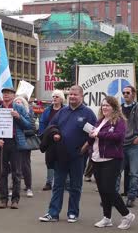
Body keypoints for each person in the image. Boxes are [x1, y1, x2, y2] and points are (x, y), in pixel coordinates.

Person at [39, 85, 96, 223]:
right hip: (61, 155)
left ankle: (73, 213)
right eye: (70, 94)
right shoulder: (63, 112)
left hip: (78, 156)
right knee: (58, 185)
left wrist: (85, 147)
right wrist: (55, 134)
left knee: (75, 186)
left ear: (81, 96)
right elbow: (52, 127)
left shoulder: (87, 114)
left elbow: (93, 134)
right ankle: (53, 213)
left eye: (75, 94)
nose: (72, 96)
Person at [88, 96, 136, 230]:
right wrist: (91, 135)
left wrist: (99, 135)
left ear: (114, 108)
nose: (104, 108)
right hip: (97, 159)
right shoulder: (100, 121)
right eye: (103, 105)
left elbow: (118, 137)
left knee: (109, 189)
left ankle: (127, 215)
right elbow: (94, 139)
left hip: (112, 159)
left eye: (107, 105)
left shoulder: (119, 121)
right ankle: (107, 218)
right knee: (103, 190)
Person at [0, 87, 32, 209]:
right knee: (3, 173)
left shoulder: (19, 108)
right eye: (4, 93)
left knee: (16, 173)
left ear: (14, 96)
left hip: (16, 143)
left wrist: (18, 117)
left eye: (9, 93)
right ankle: (3, 199)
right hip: (3, 143)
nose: (6, 95)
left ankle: (15, 200)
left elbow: (29, 125)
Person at [117, 85, 138, 207]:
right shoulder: (119, 109)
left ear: (133, 94)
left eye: (128, 93)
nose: (125, 95)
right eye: (124, 93)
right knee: (116, 172)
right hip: (120, 145)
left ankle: (131, 197)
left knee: (134, 173)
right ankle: (113, 197)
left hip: (134, 145)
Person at [38, 90, 66, 191]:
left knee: (62, 161)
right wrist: (42, 135)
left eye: (57, 97)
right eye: (53, 96)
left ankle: (64, 182)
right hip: (49, 140)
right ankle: (49, 182)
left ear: (61, 99)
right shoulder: (47, 110)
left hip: (62, 139)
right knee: (49, 160)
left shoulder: (66, 110)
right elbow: (42, 123)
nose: (54, 98)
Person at [14, 95, 35, 198]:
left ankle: (29, 187)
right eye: (16, 102)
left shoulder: (28, 113)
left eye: (20, 102)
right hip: (14, 142)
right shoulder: (11, 113)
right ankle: (14, 187)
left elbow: (32, 129)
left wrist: (21, 132)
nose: (18, 104)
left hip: (25, 142)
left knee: (25, 166)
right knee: (14, 166)